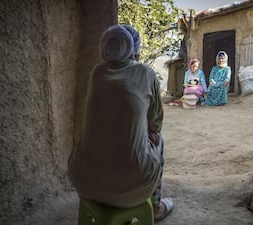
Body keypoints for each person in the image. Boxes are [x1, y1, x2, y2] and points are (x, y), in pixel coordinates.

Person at [68, 24, 174, 222]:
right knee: (158, 140)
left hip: (83, 183)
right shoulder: (146, 73)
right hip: (134, 188)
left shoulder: (96, 73)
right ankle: (156, 206)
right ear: (134, 50)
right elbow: (156, 123)